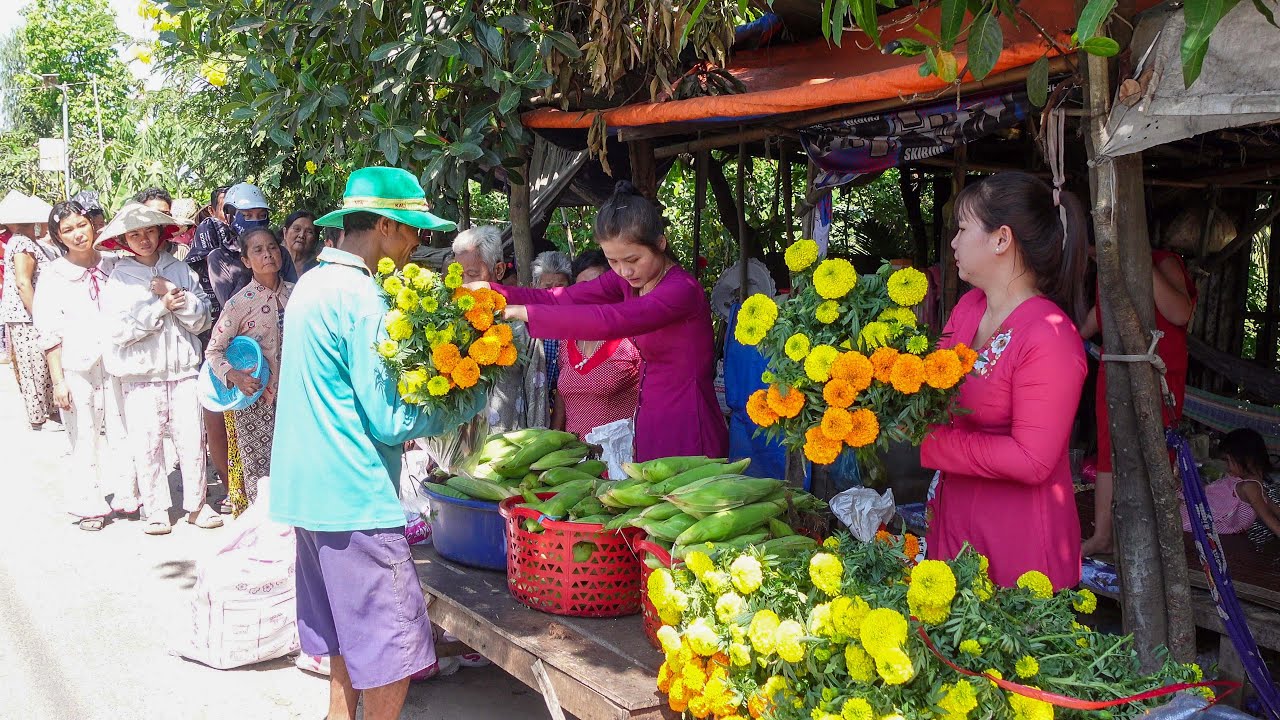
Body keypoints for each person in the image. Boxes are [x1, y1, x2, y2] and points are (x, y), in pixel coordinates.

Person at [269, 166, 482, 720]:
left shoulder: (312, 284)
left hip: (310, 496)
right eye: (412, 230)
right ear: (386, 226)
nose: (416, 244)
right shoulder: (363, 298)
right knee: (393, 650)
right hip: (354, 497)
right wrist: (466, 395)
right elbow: (390, 418)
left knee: (346, 634)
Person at [470, 181, 728, 461]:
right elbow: (564, 297)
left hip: (688, 419)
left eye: (632, 259)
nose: (624, 270)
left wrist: (523, 313)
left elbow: (612, 320)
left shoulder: (681, 290)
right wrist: (494, 292)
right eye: (613, 261)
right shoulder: (627, 281)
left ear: (660, 244)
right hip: (649, 413)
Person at [919, 171, 1089, 591]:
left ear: (1001, 239)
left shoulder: (1050, 335)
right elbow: (930, 386)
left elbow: (1033, 459)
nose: (954, 243)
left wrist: (934, 444)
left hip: (1019, 540)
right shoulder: (969, 307)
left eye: (962, 229)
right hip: (955, 519)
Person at [98, 203, 220, 536]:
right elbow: (118, 332)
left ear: (160, 232)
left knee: (192, 439)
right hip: (142, 375)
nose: (143, 239)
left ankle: (196, 505)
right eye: (134, 234)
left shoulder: (179, 270)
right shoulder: (119, 278)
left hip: (183, 370)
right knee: (147, 443)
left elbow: (202, 318)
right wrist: (158, 308)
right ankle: (155, 509)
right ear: (124, 240)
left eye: (149, 231)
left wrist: (172, 293)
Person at [1078, 247, 1196, 557]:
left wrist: (1138, 260)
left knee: (1157, 449)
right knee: (1109, 449)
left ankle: (1156, 537)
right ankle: (1103, 535)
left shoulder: (1163, 260)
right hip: (1115, 365)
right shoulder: (1105, 269)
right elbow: (1096, 317)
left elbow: (1180, 313)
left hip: (1159, 368)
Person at [34, 201, 138, 530]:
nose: (78, 234)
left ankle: (127, 495)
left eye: (81, 225)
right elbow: (48, 331)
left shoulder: (115, 264)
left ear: (92, 225)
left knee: (124, 427)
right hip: (77, 365)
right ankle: (88, 504)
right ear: (58, 237)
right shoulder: (54, 275)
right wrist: (58, 381)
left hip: (118, 359)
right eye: (68, 230)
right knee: (83, 433)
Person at [205, 227, 293, 516]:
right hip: (255, 401)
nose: (268, 254)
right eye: (258, 250)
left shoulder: (298, 294)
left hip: (296, 398)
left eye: (272, 247)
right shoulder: (238, 304)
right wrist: (236, 376)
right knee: (259, 471)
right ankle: (262, 532)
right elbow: (213, 351)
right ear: (245, 260)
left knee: (294, 465)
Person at [452, 226, 542, 431]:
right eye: (459, 275)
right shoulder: (449, 322)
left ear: (499, 270)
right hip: (459, 444)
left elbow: (537, 389)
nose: (465, 284)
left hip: (509, 446)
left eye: (472, 274)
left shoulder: (519, 322)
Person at [550, 249, 641, 437]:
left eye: (597, 286)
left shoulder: (632, 339)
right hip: (575, 460)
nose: (590, 295)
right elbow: (562, 396)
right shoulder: (566, 342)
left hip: (621, 459)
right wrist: (553, 437)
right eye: (583, 287)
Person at [0, 191, 61, 430]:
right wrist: (38, 314)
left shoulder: (30, 242)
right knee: (33, 366)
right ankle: (39, 417)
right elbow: (23, 282)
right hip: (26, 317)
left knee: (41, 365)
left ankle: (48, 411)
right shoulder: (22, 243)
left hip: (30, 314)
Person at [1180, 429, 1280, 544]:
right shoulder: (1248, 486)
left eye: (1228, 460)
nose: (1226, 467)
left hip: (1191, 517)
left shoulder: (1251, 487)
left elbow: (1269, 512)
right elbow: (1269, 516)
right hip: (1192, 520)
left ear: (1246, 459)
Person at [207, 183, 299, 306]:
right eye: (247, 216)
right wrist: (251, 266)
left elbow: (294, 296)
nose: (256, 221)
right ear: (230, 216)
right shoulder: (219, 258)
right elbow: (231, 307)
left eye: (261, 215)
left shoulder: (279, 252)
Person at [531, 250, 572, 428]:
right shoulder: (526, 324)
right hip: (535, 409)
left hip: (569, 411)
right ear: (534, 287)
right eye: (547, 287)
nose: (554, 294)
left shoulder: (576, 322)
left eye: (560, 286)